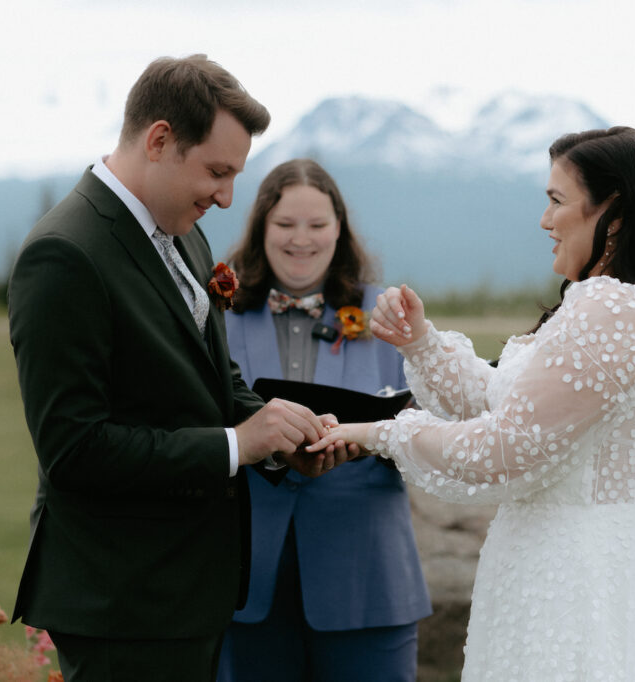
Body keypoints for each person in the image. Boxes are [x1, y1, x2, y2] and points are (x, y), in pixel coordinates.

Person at [309, 128, 635, 681]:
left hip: (580, 587)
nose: (544, 221)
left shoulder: (610, 309)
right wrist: (421, 344)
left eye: (556, 201)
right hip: (625, 572)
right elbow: (513, 405)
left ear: (613, 213)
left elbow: (506, 447)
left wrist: (383, 432)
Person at [7, 55, 351, 682]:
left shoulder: (183, 234)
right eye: (217, 172)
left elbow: (211, 377)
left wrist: (278, 434)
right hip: (122, 601)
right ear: (160, 140)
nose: (226, 197)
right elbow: (74, 449)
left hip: (190, 590)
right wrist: (235, 445)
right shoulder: (65, 254)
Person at [217, 159, 432, 681]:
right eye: (286, 225)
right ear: (261, 227)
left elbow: (429, 422)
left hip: (367, 578)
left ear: (340, 229)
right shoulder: (218, 314)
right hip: (244, 580)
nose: (301, 240)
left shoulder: (387, 313)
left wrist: (380, 437)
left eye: (317, 225)